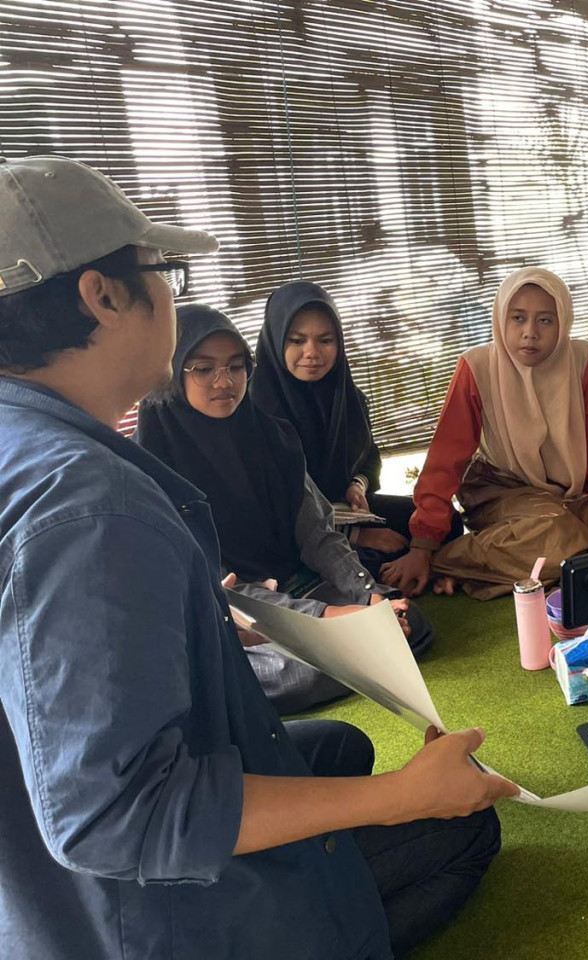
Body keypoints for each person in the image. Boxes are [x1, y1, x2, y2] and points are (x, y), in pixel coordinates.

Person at [0, 155, 516, 959]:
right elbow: (115, 815)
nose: (173, 299)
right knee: (463, 828)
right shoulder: (87, 505)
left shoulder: (29, 446)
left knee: (335, 747)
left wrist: (244, 623)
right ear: (101, 296)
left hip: (39, 881)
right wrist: (399, 797)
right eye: (161, 270)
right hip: (137, 914)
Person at [135, 303, 433, 712]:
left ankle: (358, 647)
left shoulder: (273, 437)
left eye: (236, 366)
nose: (225, 381)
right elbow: (214, 586)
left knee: (406, 618)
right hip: (229, 617)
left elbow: (319, 535)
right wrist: (328, 617)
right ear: (172, 375)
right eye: (204, 369)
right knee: (293, 673)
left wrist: (367, 598)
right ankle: (358, 651)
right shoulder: (152, 470)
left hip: (297, 585)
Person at [382, 267, 588, 600]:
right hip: (498, 487)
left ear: (563, 321)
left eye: (545, 320)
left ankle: (493, 572)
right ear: (501, 319)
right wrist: (423, 546)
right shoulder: (477, 366)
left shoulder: (581, 358)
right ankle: (446, 563)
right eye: (518, 318)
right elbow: (445, 459)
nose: (530, 333)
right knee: (563, 535)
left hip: (566, 493)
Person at [252, 280, 414, 567]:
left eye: (325, 340)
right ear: (275, 339)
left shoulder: (348, 397)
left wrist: (357, 485)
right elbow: (268, 505)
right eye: (297, 340)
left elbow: (369, 457)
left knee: (431, 522)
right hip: (291, 530)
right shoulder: (254, 408)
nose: (312, 352)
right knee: (367, 559)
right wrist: (356, 536)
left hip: (343, 509)